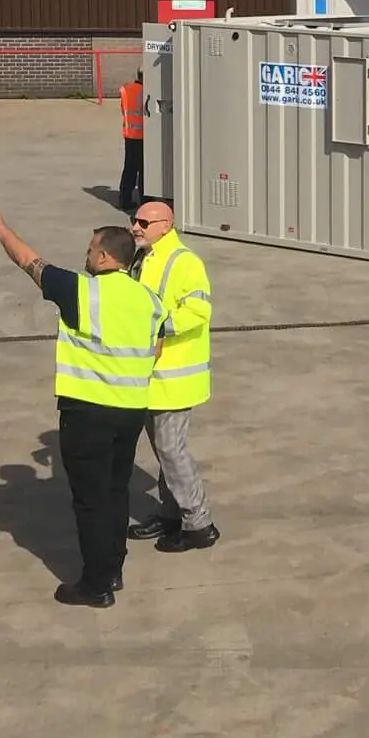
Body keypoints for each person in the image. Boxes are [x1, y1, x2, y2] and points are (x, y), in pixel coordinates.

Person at [0, 202, 163, 607]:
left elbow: (29, 261)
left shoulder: (83, 291)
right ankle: (113, 569)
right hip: (132, 410)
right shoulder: (149, 300)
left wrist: (0, 227)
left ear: (103, 256)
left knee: (91, 499)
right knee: (116, 492)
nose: (85, 256)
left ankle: (95, 584)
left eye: (89, 249)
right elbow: (157, 347)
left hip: (89, 412)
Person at [128, 200, 220, 551]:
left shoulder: (184, 262)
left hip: (176, 378)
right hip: (151, 376)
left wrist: (158, 327)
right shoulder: (144, 257)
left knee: (172, 450)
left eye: (144, 222)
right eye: (134, 220)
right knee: (164, 453)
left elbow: (198, 310)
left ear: (166, 225)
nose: (136, 227)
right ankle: (171, 515)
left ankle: (199, 524)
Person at [117, 71, 145, 212]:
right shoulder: (147, 90)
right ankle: (145, 201)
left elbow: (124, 109)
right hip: (143, 136)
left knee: (129, 169)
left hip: (129, 134)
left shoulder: (125, 89)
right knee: (144, 171)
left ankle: (124, 200)